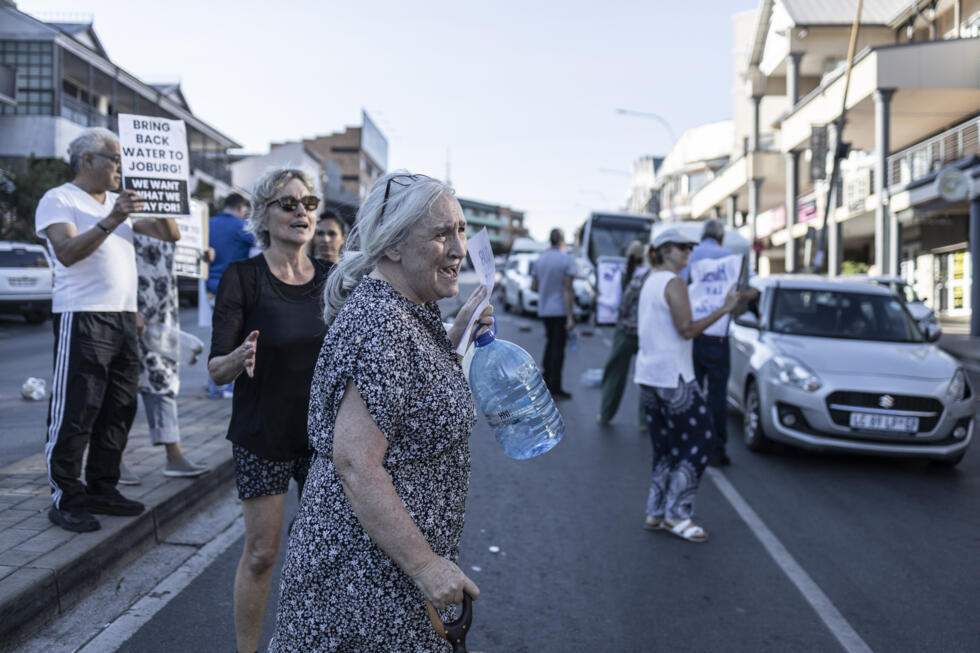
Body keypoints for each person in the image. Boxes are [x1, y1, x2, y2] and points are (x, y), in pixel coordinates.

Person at [270, 171, 493, 652]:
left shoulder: (406, 307)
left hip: (384, 573)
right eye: (441, 233)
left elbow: (406, 394)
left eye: (460, 230)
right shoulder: (382, 322)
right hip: (363, 581)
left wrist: (456, 334)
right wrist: (427, 566)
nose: (459, 248)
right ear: (392, 246)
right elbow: (356, 462)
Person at [207, 168, 332, 653]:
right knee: (262, 554)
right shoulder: (244, 278)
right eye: (288, 203)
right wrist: (237, 360)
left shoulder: (331, 279)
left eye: (308, 203)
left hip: (323, 440)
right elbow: (216, 370)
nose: (301, 212)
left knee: (323, 555)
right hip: (262, 436)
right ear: (264, 214)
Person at [36, 127, 180, 533]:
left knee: (118, 408)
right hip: (81, 316)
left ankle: (102, 486)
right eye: (115, 159)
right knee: (75, 410)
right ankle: (67, 497)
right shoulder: (59, 199)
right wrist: (114, 216)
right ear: (88, 160)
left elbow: (171, 233)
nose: (122, 167)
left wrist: (161, 192)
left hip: (121, 318)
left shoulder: (121, 207)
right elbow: (66, 253)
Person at [635, 227, 738, 543]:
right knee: (700, 440)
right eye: (682, 248)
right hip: (674, 377)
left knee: (664, 447)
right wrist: (724, 307)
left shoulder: (649, 281)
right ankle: (677, 514)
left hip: (649, 377)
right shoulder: (674, 282)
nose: (687, 254)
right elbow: (687, 329)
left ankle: (656, 511)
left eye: (689, 248)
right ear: (664, 251)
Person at [130, 233, 209, 479]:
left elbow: (174, 235)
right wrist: (129, 308)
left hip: (162, 314)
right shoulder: (122, 216)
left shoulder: (165, 219)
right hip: (130, 313)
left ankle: (173, 455)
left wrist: (201, 256)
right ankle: (113, 460)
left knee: (162, 381)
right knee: (122, 389)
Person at [683, 218, 753, 466]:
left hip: (692, 333)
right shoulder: (731, 258)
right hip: (718, 336)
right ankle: (716, 449)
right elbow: (744, 292)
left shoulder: (690, 256)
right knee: (717, 395)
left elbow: (680, 287)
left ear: (702, 236)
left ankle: (690, 443)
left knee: (691, 391)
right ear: (721, 237)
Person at [597, 240, 649, 428]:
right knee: (645, 378)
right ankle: (645, 421)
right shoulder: (651, 275)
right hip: (645, 333)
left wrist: (598, 298)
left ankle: (606, 414)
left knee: (615, 375)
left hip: (624, 332)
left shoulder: (624, 275)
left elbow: (613, 303)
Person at [207, 192, 253, 399]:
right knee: (234, 335)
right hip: (233, 288)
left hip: (209, 286)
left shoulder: (208, 223)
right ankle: (225, 385)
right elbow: (264, 238)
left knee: (218, 336)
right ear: (240, 208)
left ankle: (213, 384)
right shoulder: (241, 226)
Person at [531, 228, 576, 400]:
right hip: (559, 310)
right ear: (562, 240)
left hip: (544, 309)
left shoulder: (540, 260)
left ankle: (545, 380)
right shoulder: (567, 260)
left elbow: (534, 286)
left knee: (550, 343)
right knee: (558, 349)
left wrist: (546, 288)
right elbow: (568, 290)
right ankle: (555, 387)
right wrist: (570, 316)